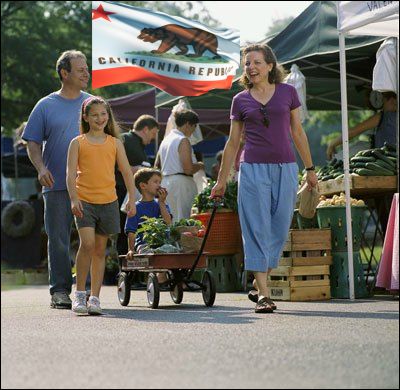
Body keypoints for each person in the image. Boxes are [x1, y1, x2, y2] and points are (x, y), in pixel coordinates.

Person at [211, 44, 318, 313]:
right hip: (252, 169)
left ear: (270, 65)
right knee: (256, 227)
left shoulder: (288, 93)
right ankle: (264, 295)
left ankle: (260, 283)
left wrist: (310, 169)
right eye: (247, 63)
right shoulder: (240, 100)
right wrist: (222, 180)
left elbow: (298, 132)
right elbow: (233, 143)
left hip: (285, 167)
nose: (251, 67)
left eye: (257, 62)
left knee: (280, 227)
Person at [22, 50, 91, 309]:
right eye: (81, 69)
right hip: (57, 186)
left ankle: (88, 291)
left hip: (90, 184)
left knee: (93, 239)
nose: (86, 73)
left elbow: (109, 140)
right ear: (65, 73)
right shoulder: (45, 105)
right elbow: (32, 141)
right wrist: (40, 168)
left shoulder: (93, 104)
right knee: (59, 240)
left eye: (87, 68)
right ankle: (60, 292)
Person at [66, 96, 136, 315]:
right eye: (94, 115)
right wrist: (73, 198)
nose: (99, 118)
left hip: (108, 202)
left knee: (99, 250)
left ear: (108, 116)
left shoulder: (115, 143)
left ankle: (95, 298)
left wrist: (132, 199)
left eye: (103, 114)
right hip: (84, 201)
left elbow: (126, 172)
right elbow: (69, 174)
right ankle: (79, 294)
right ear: (86, 117)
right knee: (86, 244)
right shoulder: (77, 142)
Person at [115, 115, 160, 255]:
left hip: (132, 195)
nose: (152, 139)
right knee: (125, 232)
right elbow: (116, 164)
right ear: (145, 129)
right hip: (122, 193)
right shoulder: (125, 139)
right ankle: (124, 270)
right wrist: (138, 169)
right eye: (153, 133)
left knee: (132, 232)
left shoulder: (137, 144)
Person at [156, 109, 204, 222]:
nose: (193, 131)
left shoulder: (165, 140)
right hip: (181, 185)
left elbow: (157, 165)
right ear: (188, 124)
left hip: (166, 182)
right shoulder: (183, 140)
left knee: (170, 221)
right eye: (194, 127)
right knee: (182, 220)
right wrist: (200, 165)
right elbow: (188, 169)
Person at [326, 91, 397, 159]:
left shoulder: (384, 116)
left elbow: (353, 132)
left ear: (391, 100)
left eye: (383, 101)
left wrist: (332, 144)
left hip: (386, 164)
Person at [125, 168, 172, 256]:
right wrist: (130, 250)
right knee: (148, 252)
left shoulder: (162, 204)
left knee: (174, 249)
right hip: (144, 245)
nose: (159, 185)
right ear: (143, 186)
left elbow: (168, 222)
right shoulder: (135, 208)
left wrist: (161, 202)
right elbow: (131, 232)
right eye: (155, 182)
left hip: (163, 244)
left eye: (160, 182)